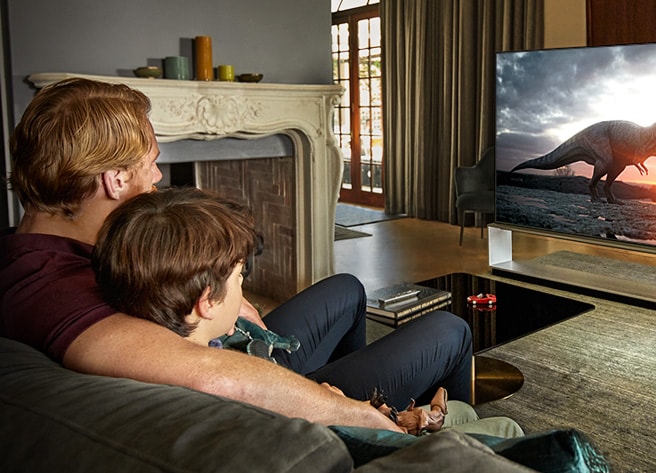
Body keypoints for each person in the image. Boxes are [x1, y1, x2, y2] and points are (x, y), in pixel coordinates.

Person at [0, 77, 479, 432]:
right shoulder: (51, 290)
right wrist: (351, 413)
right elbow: (212, 376)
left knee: (348, 289)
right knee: (451, 329)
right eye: (151, 165)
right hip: (250, 396)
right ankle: (434, 444)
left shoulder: (45, 250)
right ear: (115, 179)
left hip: (232, 349)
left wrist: (228, 298)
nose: (158, 180)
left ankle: (342, 385)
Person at [89, 186, 523, 438]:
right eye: (240, 277)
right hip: (313, 410)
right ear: (204, 301)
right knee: (453, 331)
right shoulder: (223, 395)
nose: (245, 289)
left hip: (255, 358)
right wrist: (363, 414)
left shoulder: (146, 325)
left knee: (348, 288)